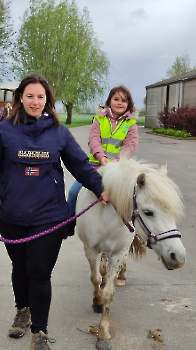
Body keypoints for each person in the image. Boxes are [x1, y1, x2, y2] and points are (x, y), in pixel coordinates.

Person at [0, 73, 109, 350]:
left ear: (47, 100)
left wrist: (101, 188)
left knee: (39, 271)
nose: (35, 102)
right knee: (20, 268)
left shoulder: (59, 132)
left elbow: (81, 165)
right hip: (11, 214)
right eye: (30, 96)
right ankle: (22, 310)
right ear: (20, 98)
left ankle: (40, 331)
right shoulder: (4, 130)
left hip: (48, 217)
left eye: (40, 97)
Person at [67, 85, 138, 234]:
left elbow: (130, 146)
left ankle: (133, 231)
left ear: (128, 104)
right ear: (109, 101)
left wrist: (116, 162)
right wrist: (102, 157)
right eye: (116, 99)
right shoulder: (100, 119)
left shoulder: (131, 124)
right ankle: (69, 224)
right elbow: (93, 140)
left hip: (117, 169)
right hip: (94, 166)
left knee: (132, 198)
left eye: (124, 101)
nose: (120, 103)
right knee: (73, 192)